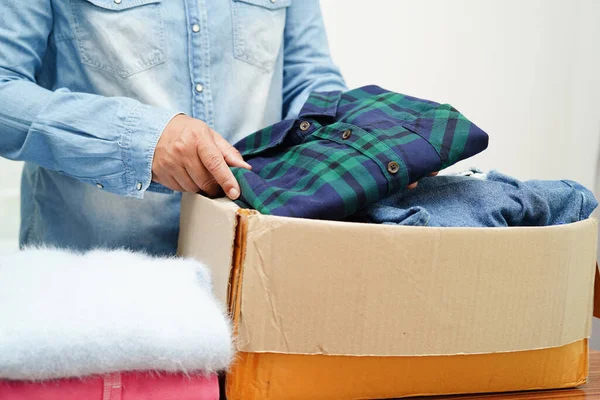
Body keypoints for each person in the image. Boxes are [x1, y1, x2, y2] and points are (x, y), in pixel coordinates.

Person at [0, 0, 351, 255]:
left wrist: (364, 148)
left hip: (253, 269)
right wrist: (140, 141)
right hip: (92, 283)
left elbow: (307, 77)